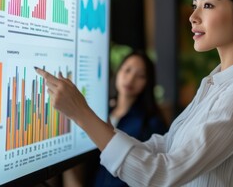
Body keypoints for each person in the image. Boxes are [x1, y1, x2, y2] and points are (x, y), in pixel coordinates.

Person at [36, 0, 233, 186]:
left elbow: (166, 172)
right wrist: (95, 123)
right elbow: (165, 147)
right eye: (195, 3)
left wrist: (81, 114)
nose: (193, 16)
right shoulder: (218, 81)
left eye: (208, 5)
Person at [63, 50, 168, 187]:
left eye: (140, 76)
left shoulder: (151, 123)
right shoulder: (102, 112)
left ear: (148, 82)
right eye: (127, 70)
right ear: (118, 72)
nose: (130, 79)